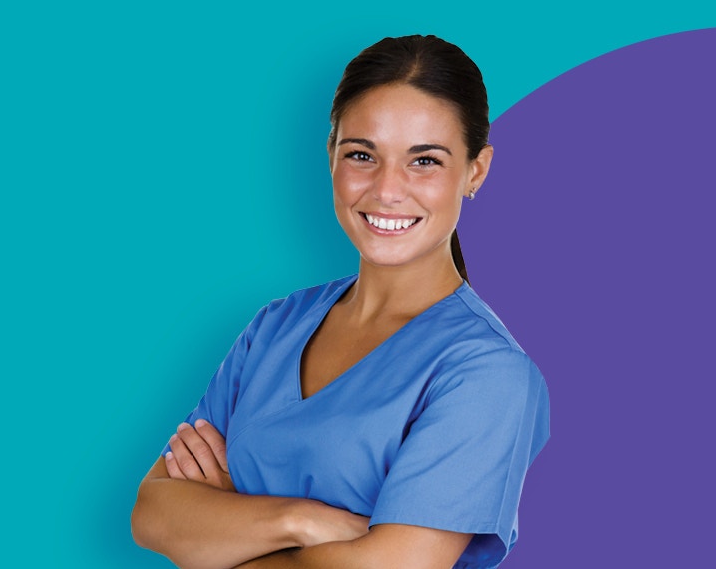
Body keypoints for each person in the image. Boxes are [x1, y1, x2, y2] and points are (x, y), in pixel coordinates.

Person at [130, 34, 551, 569]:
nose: (387, 190)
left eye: (424, 160)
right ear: (331, 155)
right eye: (361, 155)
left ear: (476, 170)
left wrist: (221, 530)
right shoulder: (276, 326)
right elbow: (153, 511)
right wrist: (299, 520)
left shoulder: (488, 374)